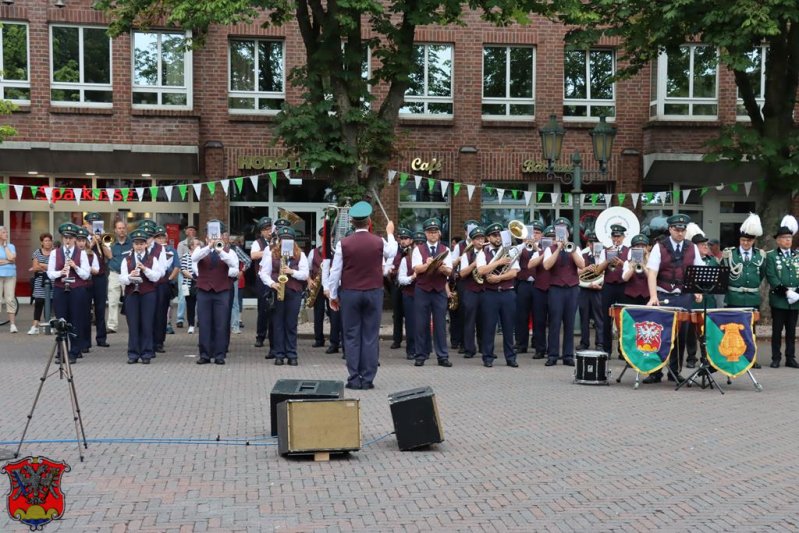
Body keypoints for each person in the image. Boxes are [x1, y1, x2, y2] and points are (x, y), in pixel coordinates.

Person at [328, 201, 397, 389]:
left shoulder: (344, 243)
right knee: (370, 336)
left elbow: (335, 272)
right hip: (374, 292)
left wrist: (332, 295)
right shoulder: (379, 241)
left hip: (350, 293)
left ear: (352, 222)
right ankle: (367, 379)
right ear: (369, 221)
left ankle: (354, 378)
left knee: (351, 336)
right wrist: (390, 232)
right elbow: (393, 251)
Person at [644, 214, 705, 384]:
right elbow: (652, 273)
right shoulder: (659, 247)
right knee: (660, 334)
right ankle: (655, 372)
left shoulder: (692, 247)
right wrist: (653, 296)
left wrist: (697, 290)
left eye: (683, 230)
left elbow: (699, 270)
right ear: (670, 229)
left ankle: (674, 371)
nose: (680, 233)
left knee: (681, 335)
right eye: (677, 230)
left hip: (684, 295)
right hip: (663, 294)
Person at [720, 213, 765, 369]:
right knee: (732, 329)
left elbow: (761, 274)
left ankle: (751, 358)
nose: (746, 243)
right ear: (739, 240)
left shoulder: (760, 255)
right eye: (743, 240)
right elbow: (723, 274)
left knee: (751, 330)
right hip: (734, 297)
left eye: (749, 240)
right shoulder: (730, 254)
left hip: (752, 297)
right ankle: (732, 355)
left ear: (753, 241)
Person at [259, 226, 309, 365]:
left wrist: (292, 271)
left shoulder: (301, 255)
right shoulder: (272, 254)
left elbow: (305, 274)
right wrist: (271, 284)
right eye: (283, 240)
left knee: (291, 324)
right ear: (279, 241)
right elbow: (264, 273)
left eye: (289, 240)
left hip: (293, 292)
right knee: (278, 324)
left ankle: (292, 354)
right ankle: (279, 354)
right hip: (277, 292)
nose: (285, 242)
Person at [192, 220, 239, 365]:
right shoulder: (200, 250)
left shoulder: (228, 252)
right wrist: (209, 247)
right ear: (206, 238)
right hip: (204, 290)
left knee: (221, 323)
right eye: (209, 237)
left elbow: (233, 265)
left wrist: (220, 251)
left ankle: (220, 355)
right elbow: (194, 259)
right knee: (204, 323)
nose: (212, 239)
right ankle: (205, 354)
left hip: (222, 290)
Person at [543, 218, 585, 366]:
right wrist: (559, 248)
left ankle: (568, 355)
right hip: (556, 289)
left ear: (568, 232)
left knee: (569, 323)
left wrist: (570, 248)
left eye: (564, 230)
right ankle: (552, 355)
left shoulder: (576, 248)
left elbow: (581, 265)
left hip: (572, 289)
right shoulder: (550, 249)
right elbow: (547, 266)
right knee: (554, 323)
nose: (562, 232)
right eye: (559, 230)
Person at [476, 223, 520, 368]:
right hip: (490, 294)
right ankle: (487, 357)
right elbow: (482, 270)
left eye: (499, 235)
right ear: (488, 237)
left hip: (507, 293)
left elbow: (514, 272)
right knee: (489, 327)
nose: (497, 238)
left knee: (508, 327)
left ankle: (510, 358)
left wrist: (499, 278)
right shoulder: (483, 252)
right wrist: (499, 262)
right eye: (494, 235)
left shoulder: (510, 251)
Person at [411, 218, 452, 368]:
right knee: (421, 323)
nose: (433, 235)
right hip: (423, 289)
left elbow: (449, 271)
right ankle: (420, 355)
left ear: (440, 233)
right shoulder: (418, 249)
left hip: (439, 290)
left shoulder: (446, 250)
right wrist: (427, 265)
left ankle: (442, 356)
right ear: (425, 234)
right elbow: (416, 269)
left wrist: (441, 267)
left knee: (440, 324)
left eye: (435, 232)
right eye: (430, 232)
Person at [47, 223, 91, 364]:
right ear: (62, 238)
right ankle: (61, 352)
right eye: (65, 237)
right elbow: (50, 273)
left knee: (75, 320)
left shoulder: (81, 253)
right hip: (61, 289)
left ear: (75, 239)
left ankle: (74, 352)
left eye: (71, 237)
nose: (68, 240)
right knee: (61, 321)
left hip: (76, 289)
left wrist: (75, 266)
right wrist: (61, 272)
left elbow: (85, 274)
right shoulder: (55, 252)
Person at [120, 229, 163, 364]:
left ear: (146, 245)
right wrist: (130, 276)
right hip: (132, 294)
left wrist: (145, 269)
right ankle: (133, 354)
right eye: (136, 243)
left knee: (147, 324)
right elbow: (122, 279)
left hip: (148, 294)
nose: (138, 246)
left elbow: (156, 277)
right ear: (133, 245)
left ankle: (147, 353)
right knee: (133, 324)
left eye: (141, 243)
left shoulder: (152, 259)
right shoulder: (126, 259)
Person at [765, 215, 799, 369]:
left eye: (789, 238)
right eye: (784, 238)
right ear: (778, 240)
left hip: (795, 300)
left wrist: (797, 293)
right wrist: (786, 292)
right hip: (779, 299)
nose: (787, 240)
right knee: (777, 331)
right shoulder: (771, 256)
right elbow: (771, 277)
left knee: (792, 331)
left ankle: (790, 358)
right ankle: (776, 357)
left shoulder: (797, 255)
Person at [684, 224, 718, 368]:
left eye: (706, 244)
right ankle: (691, 357)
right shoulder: (688, 262)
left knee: (707, 332)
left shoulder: (712, 261)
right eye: (702, 244)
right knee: (691, 331)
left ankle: (706, 357)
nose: (706, 246)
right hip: (693, 300)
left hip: (708, 301)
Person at [596, 224, 628, 356]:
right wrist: (608, 261)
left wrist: (621, 263)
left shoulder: (629, 250)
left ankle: (623, 350)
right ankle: (606, 349)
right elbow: (598, 270)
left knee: (623, 319)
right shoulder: (605, 251)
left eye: (619, 236)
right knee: (606, 318)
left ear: (623, 237)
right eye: (614, 236)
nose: (617, 239)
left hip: (623, 286)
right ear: (611, 237)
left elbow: (631, 267)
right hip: (609, 286)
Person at [83, 213, 112, 349]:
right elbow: (82, 253)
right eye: (92, 224)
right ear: (87, 225)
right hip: (86, 277)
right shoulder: (82, 238)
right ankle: (86, 340)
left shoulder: (105, 238)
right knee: (85, 309)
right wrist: (93, 242)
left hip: (100, 276)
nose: (94, 227)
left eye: (97, 224)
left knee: (100, 308)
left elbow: (109, 255)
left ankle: (101, 338)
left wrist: (101, 242)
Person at [457, 226, 486, 359]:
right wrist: (475, 263)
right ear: (472, 241)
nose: (480, 241)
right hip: (470, 291)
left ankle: (484, 347)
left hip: (485, 290)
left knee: (484, 321)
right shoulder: (466, 254)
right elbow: (462, 273)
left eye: (482, 238)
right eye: (477, 239)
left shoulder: (489, 252)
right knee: (469, 321)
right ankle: (469, 349)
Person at [398, 231, 425, 360]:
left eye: (422, 243)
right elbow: (401, 279)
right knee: (411, 323)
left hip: (425, 294)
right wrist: (412, 277)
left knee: (424, 323)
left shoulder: (430, 259)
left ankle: (424, 349)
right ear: (413, 245)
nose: (419, 246)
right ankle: (411, 350)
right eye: (417, 243)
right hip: (410, 295)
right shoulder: (406, 259)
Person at [514, 221, 541, 354]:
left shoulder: (544, 248)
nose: (534, 235)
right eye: (533, 232)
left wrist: (536, 247)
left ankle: (537, 341)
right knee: (521, 314)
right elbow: (512, 257)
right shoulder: (521, 247)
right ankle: (521, 343)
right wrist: (524, 244)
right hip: (524, 283)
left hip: (538, 284)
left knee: (538, 314)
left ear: (541, 235)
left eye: (537, 233)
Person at [528, 225, 553, 359]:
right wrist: (543, 254)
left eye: (552, 238)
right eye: (548, 238)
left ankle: (552, 349)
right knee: (539, 321)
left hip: (554, 289)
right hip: (539, 289)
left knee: (554, 321)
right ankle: (540, 349)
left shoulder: (557, 251)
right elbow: (530, 265)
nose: (550, 240)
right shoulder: (539, 252)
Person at [577, 231, 604, 352]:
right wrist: (586, 269)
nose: (593, 245)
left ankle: (600, 343)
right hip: (584, 289)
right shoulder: (583, 254)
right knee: (584, 316)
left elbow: (607, 271)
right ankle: (584, 342)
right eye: (591, 242)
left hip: (598, 289)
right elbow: (576, 272)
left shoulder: (603, 254)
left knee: (599, 317)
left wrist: (599, 284)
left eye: (595, 242)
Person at [250, 217, 275, 352]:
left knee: (274, 308)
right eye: (266, 230)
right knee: (263, 308)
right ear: (261, 232)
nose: (269, 232)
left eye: (270, 229)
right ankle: (260, 336)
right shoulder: (257, 242)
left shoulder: (276, 241)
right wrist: (269, 249)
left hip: (275, 278)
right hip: (262, 279)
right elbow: (253, 255)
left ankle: (273, 336)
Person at [387, 228, 413, 350]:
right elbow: (389, 267)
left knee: (410, 315)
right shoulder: (394, 251)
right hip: (396, 286)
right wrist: (391, 271)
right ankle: (396, 340)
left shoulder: (413, 252)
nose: (403, 241)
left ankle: (410, 341)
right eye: (401, 239)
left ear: (410, 240)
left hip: (409, 286)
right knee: (397, 314)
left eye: (405, 239)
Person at [75, 227, 99, 354]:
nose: (81, 243)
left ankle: (85, 342)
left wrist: (86, 268)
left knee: (85, 315)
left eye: (83, 240)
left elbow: (97, 269)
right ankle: (76, 342)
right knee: (75, 315)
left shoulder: (91, 254)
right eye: (78, 240)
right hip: (74, 287)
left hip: (86, 286)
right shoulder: (71, 253)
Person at [106, 219, 131, 334]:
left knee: (131, 301)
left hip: (128, 275)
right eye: (119, 228)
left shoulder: (132, 243)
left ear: (126, 229)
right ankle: (112, 326)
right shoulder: (109, 243)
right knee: (112, 301)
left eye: (123, 228)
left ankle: (132, 324)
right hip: (114, 274)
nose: (121, 230)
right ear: (115, 230)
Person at [28, 232, 54, 335]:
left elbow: (56, 267)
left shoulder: (55, 252)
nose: (48, 243)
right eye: (46, 241)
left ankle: (49, 325)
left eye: (49, 240)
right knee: (39, 302)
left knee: (51, 304)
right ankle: (35, 326)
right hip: (39, 281)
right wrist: (47, 266)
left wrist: (42, 264)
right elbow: (35, 268)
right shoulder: (37, 253)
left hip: (52, 281)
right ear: (42, 243)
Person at [307, 228, 327, 348]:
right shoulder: (313, 252)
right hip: (317, 286)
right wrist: (309, 281)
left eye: (328, 237)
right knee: (318, 314)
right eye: (323, 237)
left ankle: (336, 340)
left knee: (334, 315)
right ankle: (319, 339)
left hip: (331, 287)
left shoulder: (336, 251)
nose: (325, 239)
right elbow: (307, 269)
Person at [175, 223, 197, 328]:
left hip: (196, 277)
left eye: (193, 230)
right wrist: (185, 270)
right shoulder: (181, 244)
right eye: (189, 230)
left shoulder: (200, 243)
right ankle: (180, 318)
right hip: (183, 276)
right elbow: (179, 259)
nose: (191, 231)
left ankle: (195, 320)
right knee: (182, 296)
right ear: (186, 232)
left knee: (196, 298)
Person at [621, 234, 651, 305]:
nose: (640, 248)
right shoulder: (627, 262)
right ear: (632, 248)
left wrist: (644, 265)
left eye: (643, 246)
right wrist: (632, 267)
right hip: (630, 297)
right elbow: (625, 278)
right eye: (637, 246)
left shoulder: (651, 262)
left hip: (646, 297)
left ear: (646, 248)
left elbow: (652, 277)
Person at [180, 238, 200, 334]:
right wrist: (193, 277)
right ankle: (191, 325)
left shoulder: (201, 256)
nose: (199, 246)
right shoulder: (185, 256)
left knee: (201, 304)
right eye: (197, 244)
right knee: (189, 305)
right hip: (187, 284)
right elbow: (183, 269)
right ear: (191, 246)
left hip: (199, 283)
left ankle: (201, 322)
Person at [0, 225, 18, 332]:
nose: (6, 234)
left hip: (10, 275)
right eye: (3, 232)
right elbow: (10, 260)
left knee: (10, 299)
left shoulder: (11, 246)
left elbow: (12, 258)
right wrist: (8, 261)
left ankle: (13, 325)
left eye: (6, 232)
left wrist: (5, 246)